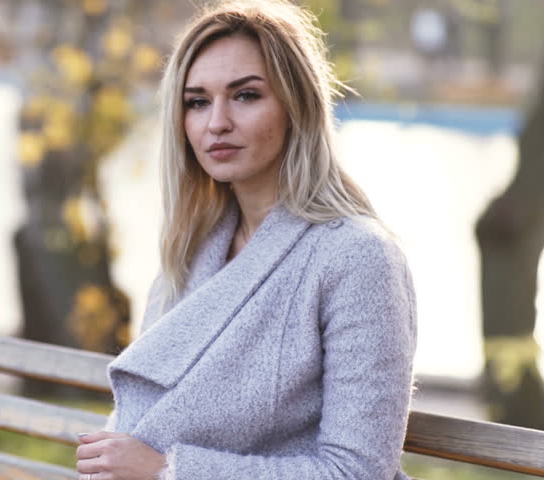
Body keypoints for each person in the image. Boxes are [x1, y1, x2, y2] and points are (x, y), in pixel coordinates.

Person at [76, 0, 417, 479]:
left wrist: (168, 472)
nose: (216, 122)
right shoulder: (192, 250)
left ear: (297, 105)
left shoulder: (357, 257)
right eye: (197, 102)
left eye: (246, 95)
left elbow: (356, 471)